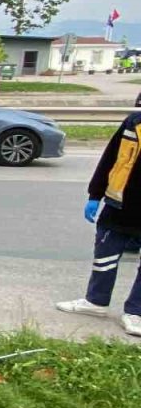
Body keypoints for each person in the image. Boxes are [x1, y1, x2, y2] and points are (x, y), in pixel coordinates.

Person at [56, 111, 141, 336]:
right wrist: (95, 194)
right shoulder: (134, 123)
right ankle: (96, 302)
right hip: (120, 207)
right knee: (105, 256)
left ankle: (136, 313)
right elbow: (111, 157)